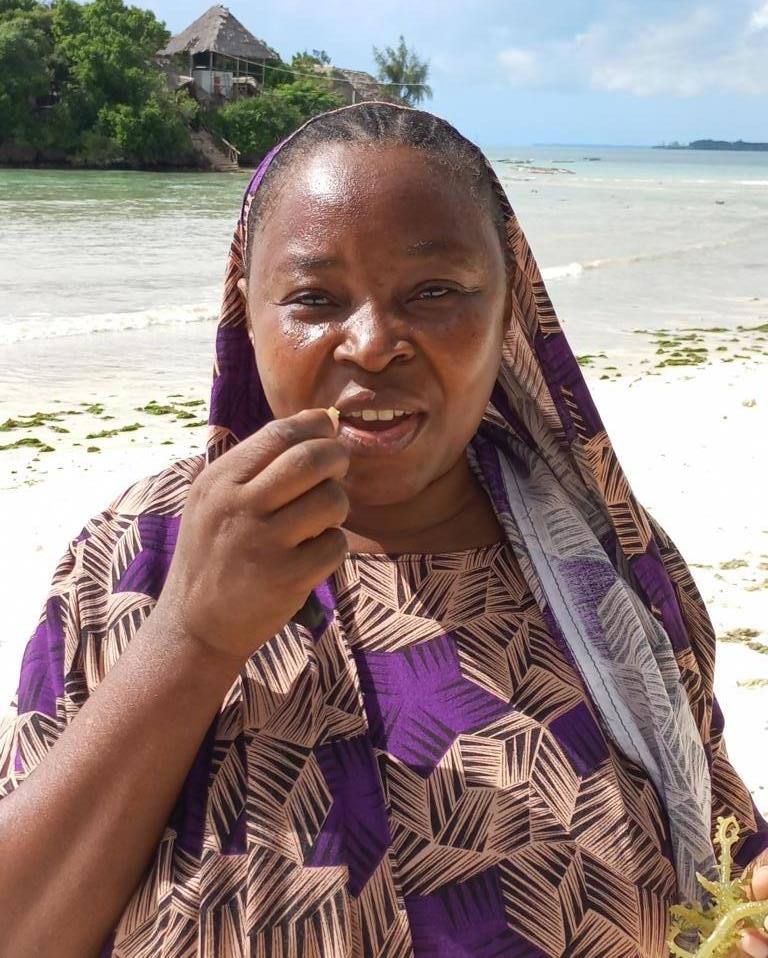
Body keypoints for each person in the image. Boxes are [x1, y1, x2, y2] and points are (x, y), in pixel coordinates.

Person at [0, 101, 766, 958]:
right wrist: (190, 636)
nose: (370, 344)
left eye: (434, 292)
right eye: (315, 299)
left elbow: (716, 837)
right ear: (247, 311)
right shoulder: (138, 556)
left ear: (510, 304)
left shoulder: (608, 561)